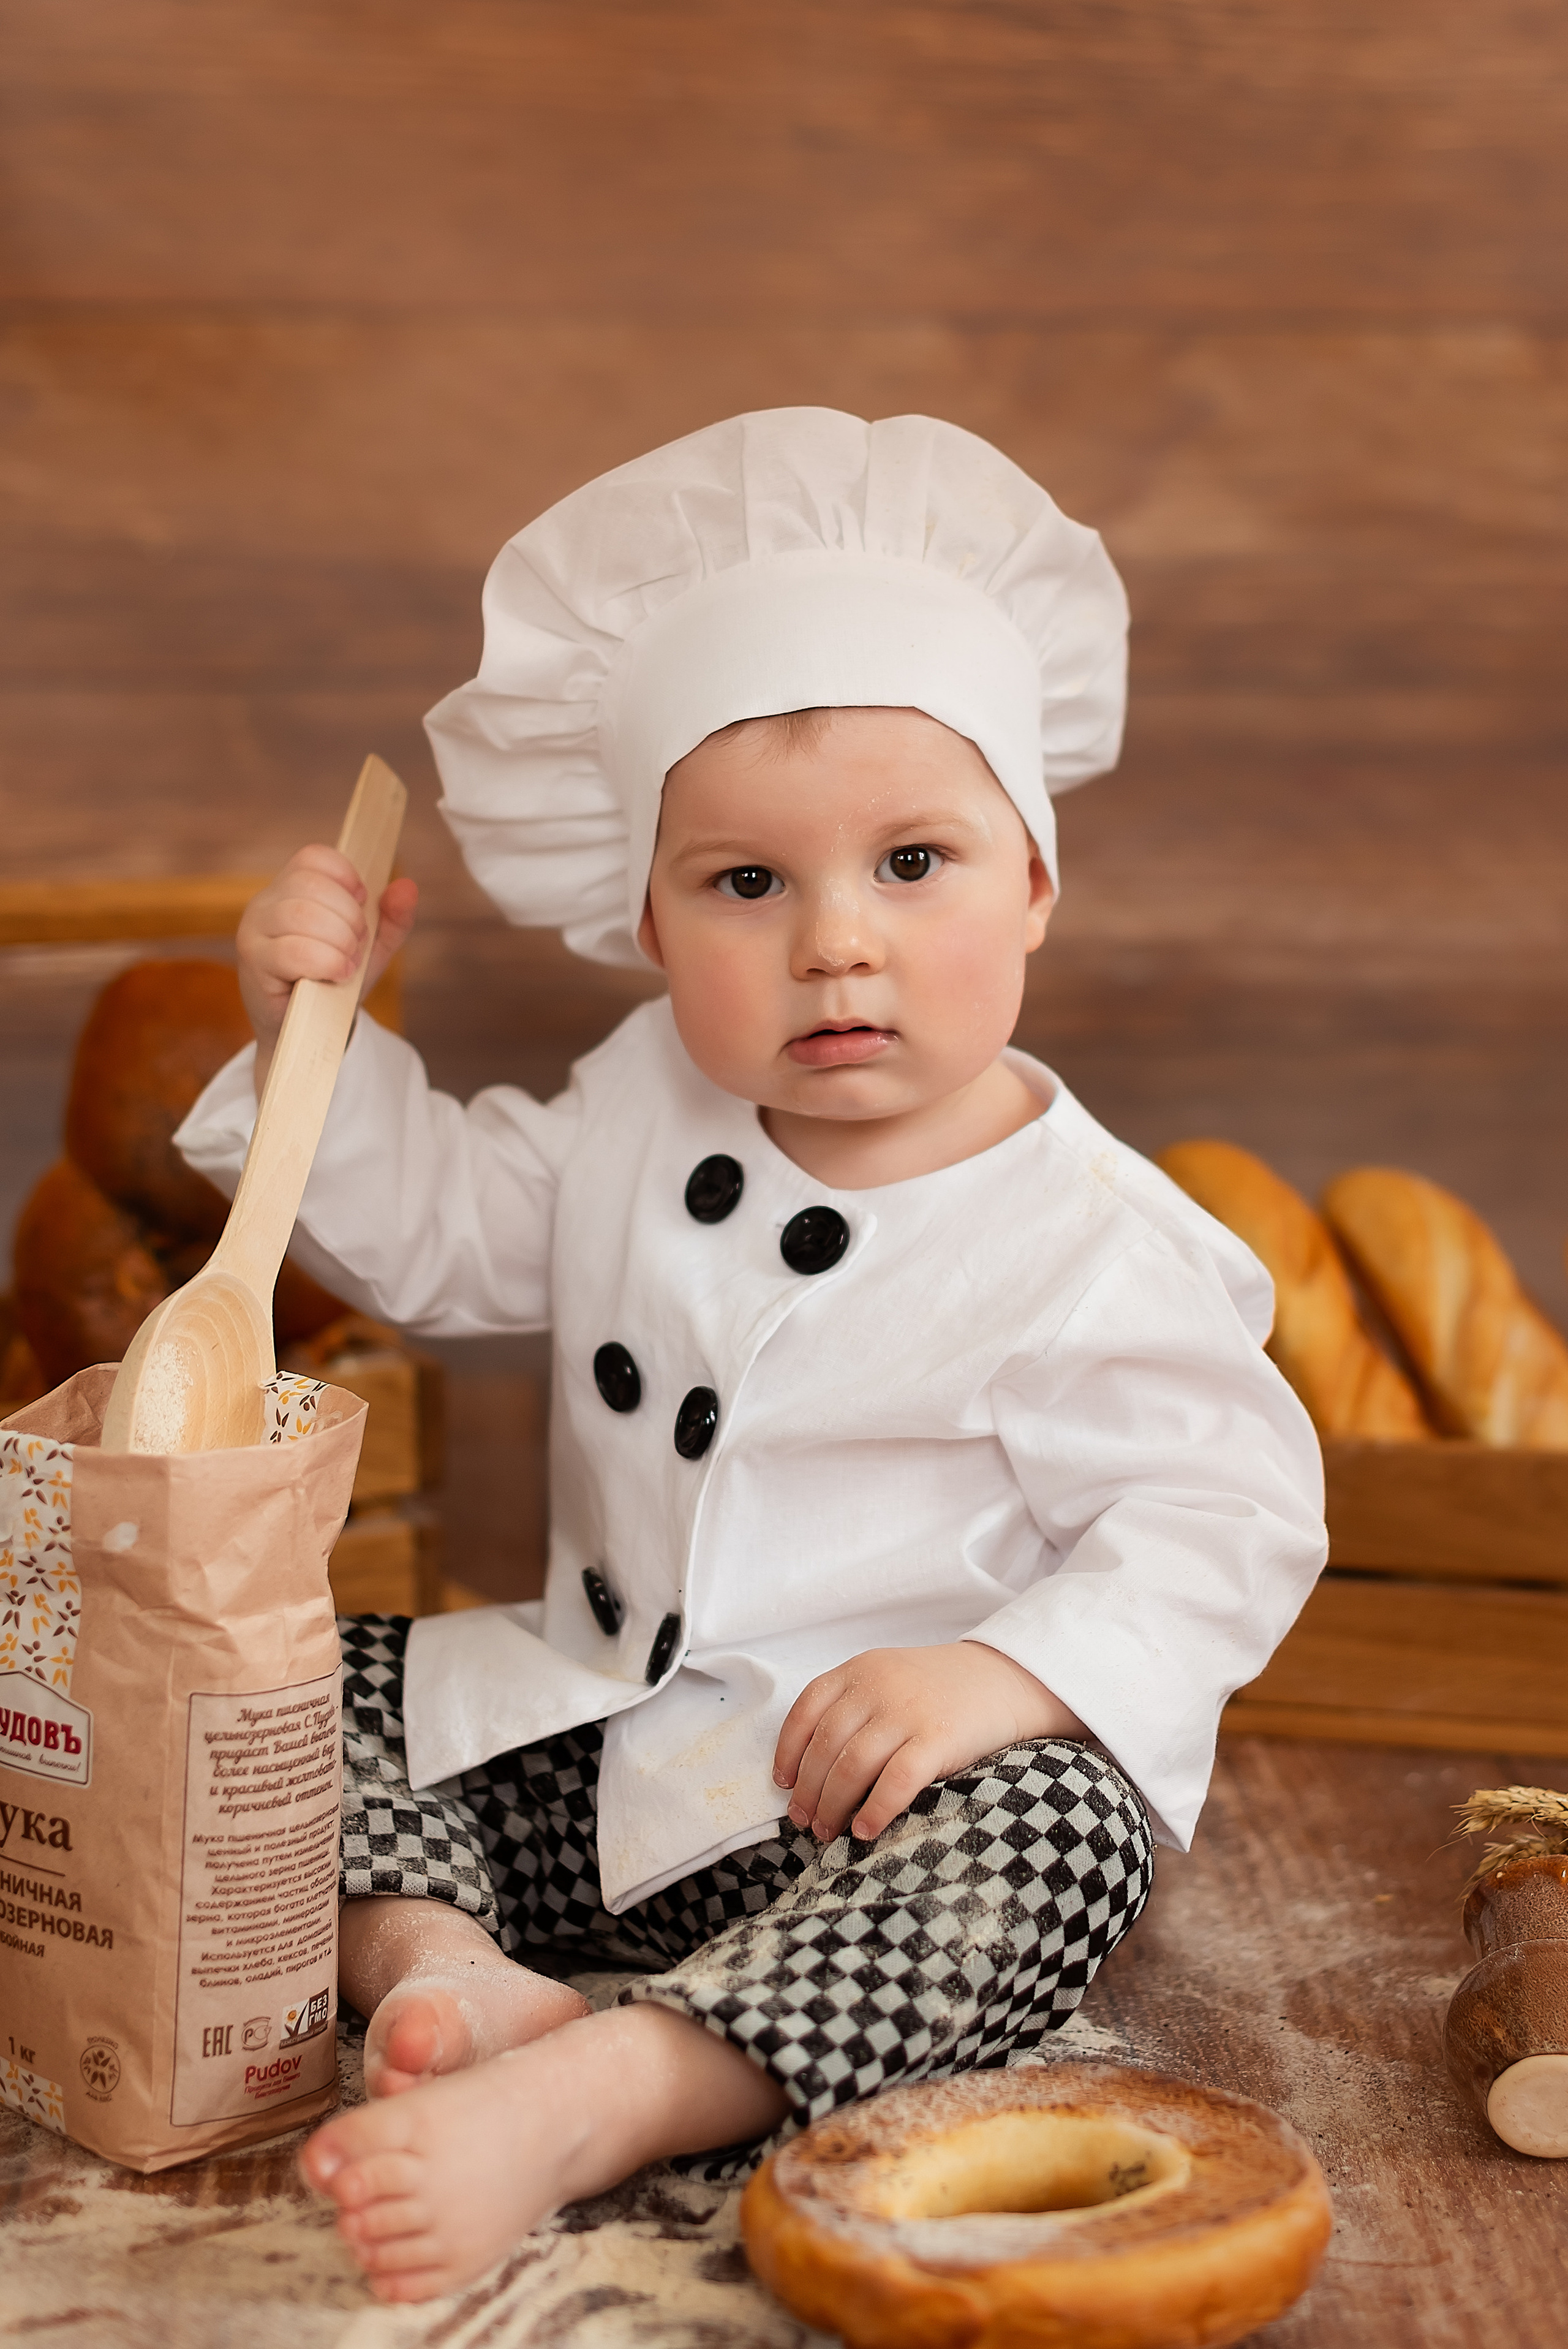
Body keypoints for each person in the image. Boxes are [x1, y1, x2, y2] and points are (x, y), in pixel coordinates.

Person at [178, 409, 1327, 2304]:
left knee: (1072, 1829)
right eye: (746, 885)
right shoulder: (638, 1098)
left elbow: (1229, 1516)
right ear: (644, 920)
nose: (834, 946)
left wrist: (1005, 1673)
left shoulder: (1091, 1241)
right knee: (276, 1673)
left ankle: (617, 2087)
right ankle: (443, 1969)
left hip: (857, 1810)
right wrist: (309, 1033)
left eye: (914, 861)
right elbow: (450, 1231)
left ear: (1036, 881)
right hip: (594, 1755)